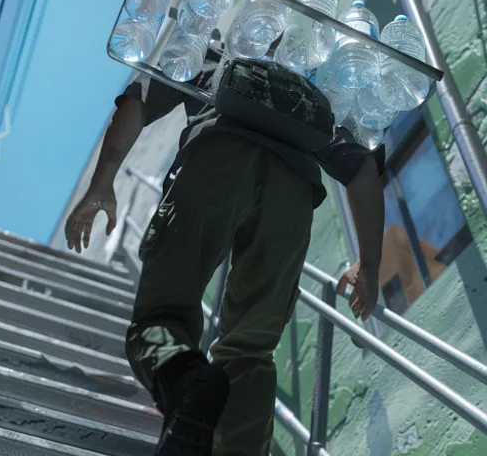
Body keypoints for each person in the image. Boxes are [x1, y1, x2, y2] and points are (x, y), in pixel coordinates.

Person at [65, 69, 384, 456]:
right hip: (293, 190)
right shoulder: (312, 89)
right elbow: (363, 169)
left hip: (216, 156)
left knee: (161, 317)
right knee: (250, 350)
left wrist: (102, 183)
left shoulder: (216, 50)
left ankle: (186, 379)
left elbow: (137, 101)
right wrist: (368, 264)